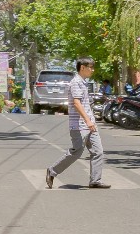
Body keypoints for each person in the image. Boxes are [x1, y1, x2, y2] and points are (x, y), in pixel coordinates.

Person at [43, 57, 107, 189]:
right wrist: (88, 120)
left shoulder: (83, 82)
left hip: (89, 124)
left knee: (98, 151)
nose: (92, 70)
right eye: (90, 67)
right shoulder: (75, 82)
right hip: (79, 125)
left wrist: (91, 121)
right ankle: (52, 170)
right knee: (76, 152)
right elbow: (77, 103)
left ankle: (95, 180)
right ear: (82, 67)